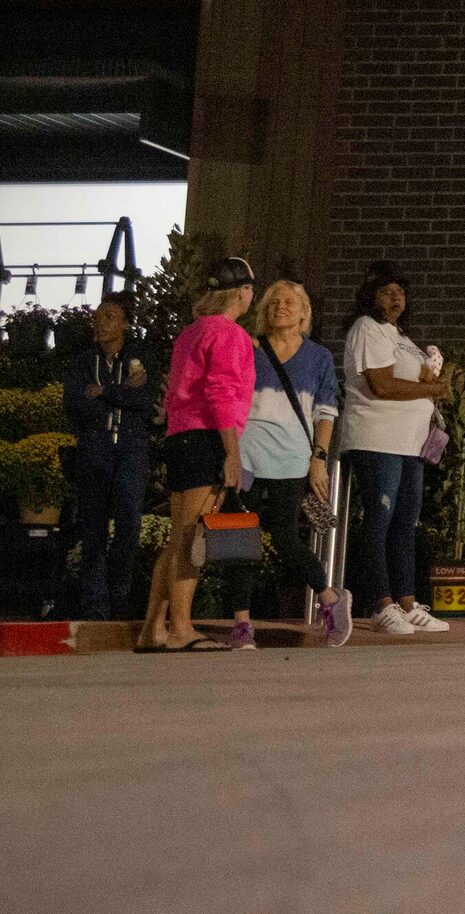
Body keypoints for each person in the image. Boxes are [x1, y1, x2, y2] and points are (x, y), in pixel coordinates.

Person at [138, 256, 257, 653]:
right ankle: (181, 629)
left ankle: (153, 629)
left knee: (178, 538)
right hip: (206, 438)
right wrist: (232, 453)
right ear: (242, 292)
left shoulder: (191, 333)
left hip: (180, 436)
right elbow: (221, 393)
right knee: (191, 540)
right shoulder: (230, 334)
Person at [231, 278, 351, 649]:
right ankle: (241, 625)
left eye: (288, 303)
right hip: (246, 458)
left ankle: (330, 600)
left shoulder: (318, 357)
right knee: (239, 539)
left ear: (303, 313)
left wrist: (319, 459)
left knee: (284, 538)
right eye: (272, 303)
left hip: (291, 460)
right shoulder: (247, 350)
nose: (279, 307)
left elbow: (326, 410)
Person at [336, 261, 453, 636]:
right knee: (380, 521)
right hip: (377, 440)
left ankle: (406, 600)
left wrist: (432, 371)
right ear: (370, 296)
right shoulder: (367, 328)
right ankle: (380, 603)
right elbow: (381, 386)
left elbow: (411, 377)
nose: (395, 297)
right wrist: (433, 389)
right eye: (387, 291)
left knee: (405, 524)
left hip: (409, 445)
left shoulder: (400, 335)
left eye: (400, 291)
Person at [61, 292, 154, 621]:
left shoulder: (140, 358)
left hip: (131, 445)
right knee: (93, 527)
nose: (101, 323)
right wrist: (122, 393)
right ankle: (95, 604)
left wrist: (105, 392)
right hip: (95, 444)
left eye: (109, 317)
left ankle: (120, 598)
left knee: (128, 524)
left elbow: (146, 401)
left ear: (126, 324)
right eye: (98, 317)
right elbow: (75, 403)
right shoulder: (84, 361)